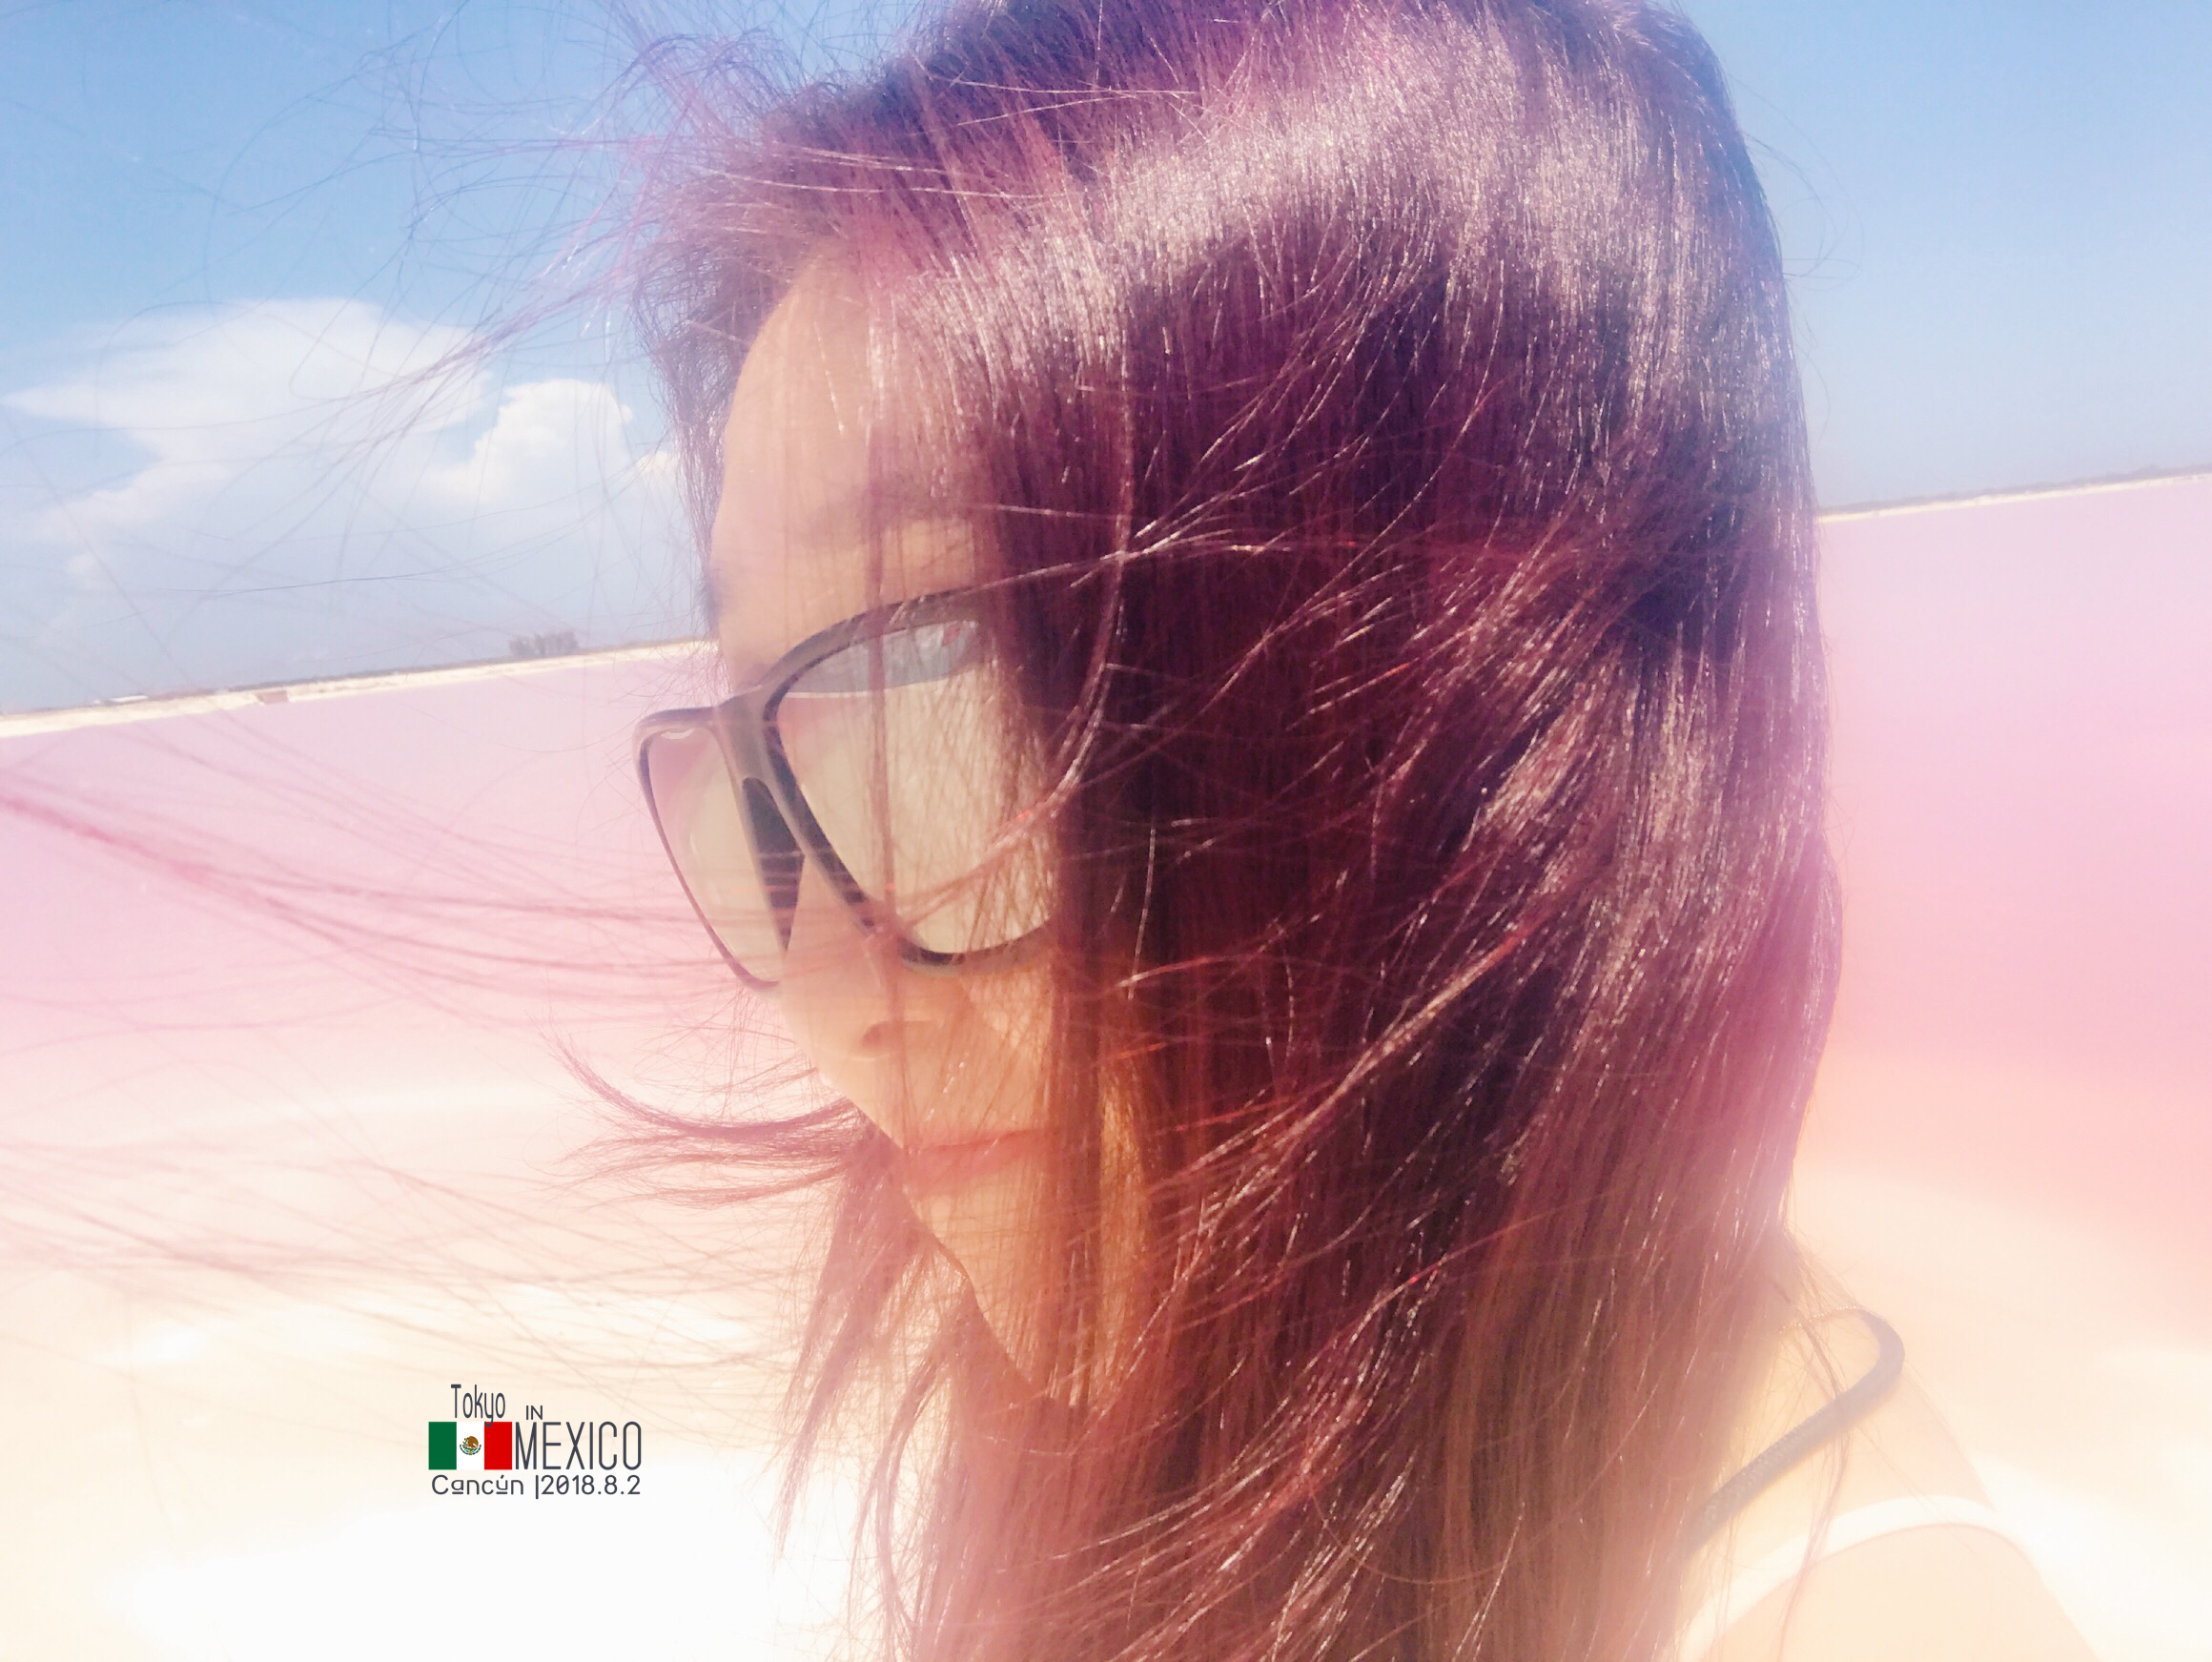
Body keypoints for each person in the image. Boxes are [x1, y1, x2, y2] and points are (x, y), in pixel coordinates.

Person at [624, 0, 2098, 1656]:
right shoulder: (1185, 1378)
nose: (829, 995)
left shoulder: (1859, 1615)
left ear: (1482, 711)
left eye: (945, 696)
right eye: (774, 762)